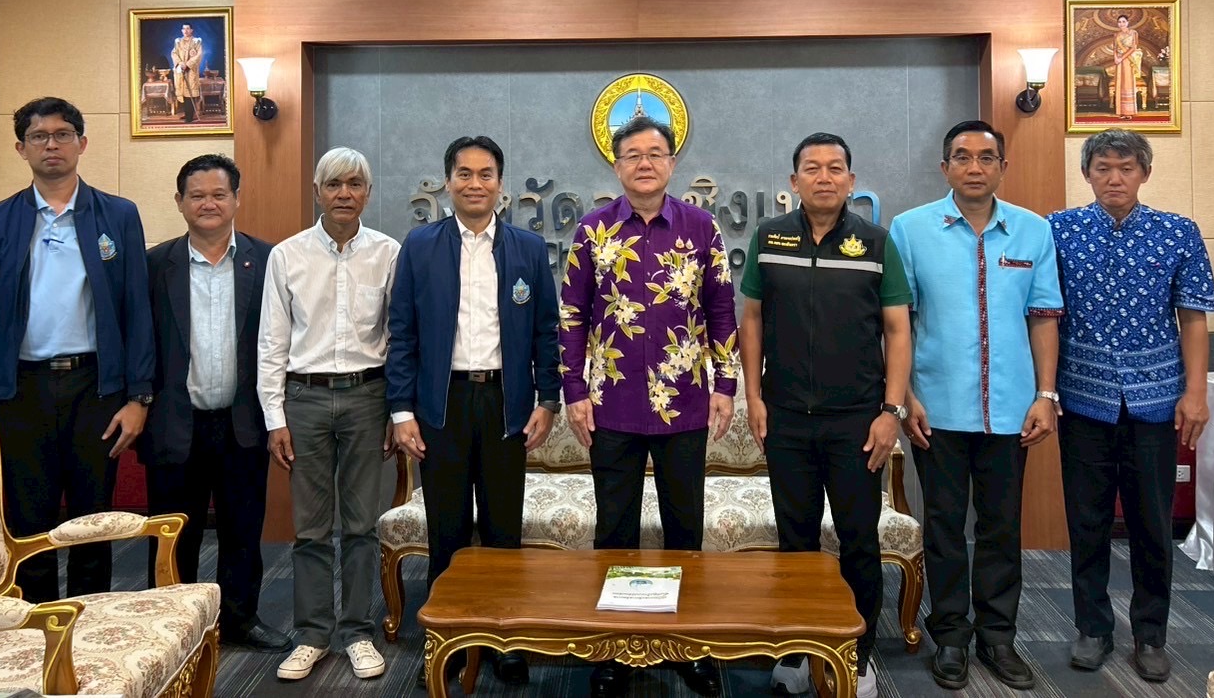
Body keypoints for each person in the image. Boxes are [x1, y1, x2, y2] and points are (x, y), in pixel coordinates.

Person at [559, 114, 739, 698]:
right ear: (616, 167)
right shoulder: (592, 230)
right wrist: (574, 391)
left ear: (672, 163)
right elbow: (572, 317)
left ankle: (689, 646)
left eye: (655, 153)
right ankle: (614, 648)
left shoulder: (702, 227)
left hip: (684, 402)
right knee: (614, 529)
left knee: (685, 529)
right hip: (611, 405)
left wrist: (726, 384)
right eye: (633, 154)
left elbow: (721, 310)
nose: (645, 163)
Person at [887, 120, 1063, 691]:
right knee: (942, 527)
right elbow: (898, 323)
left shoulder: (1034, 231)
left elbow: (1043, 318)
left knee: (1000, 528)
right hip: (935, 411)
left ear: (1002, 167)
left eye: (987, 157)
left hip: (1011, 411)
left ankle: (998, 637)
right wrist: (905, 397)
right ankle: (951, 638)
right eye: (962, 157)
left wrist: (1045, 395)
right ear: (945, 168)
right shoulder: (911, 230)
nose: (974, 167)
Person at [740, 133, 913, 698]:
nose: (824, 177)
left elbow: (897, 330)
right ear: (794, 182)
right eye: (812, 168)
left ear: (851, 181)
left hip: (857, 422)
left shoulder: (876, 243)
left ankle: (855, 656)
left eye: (835, 168)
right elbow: (752, 320)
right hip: (787, 418)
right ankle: (797, 651)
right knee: (796, 543)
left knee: (859, 540)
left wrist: (891, 411)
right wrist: (754, 397)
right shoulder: (769, 238)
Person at [0, 96, 154, 604]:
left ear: (82, 143)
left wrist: (139, 397)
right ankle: (36, 624)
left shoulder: (118, 215)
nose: (52, 144)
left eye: (63, 134)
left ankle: (90, 622)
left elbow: (137, 309)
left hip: (95, 388)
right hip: (20, 391)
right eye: (39, 136)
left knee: (93, 519)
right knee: (30, 521)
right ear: (21, 148)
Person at [386, 135, 560, 689]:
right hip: (443, 406)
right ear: (448, 182)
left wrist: (548, 400)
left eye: (486, 174)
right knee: (449, 531)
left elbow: (547, 332)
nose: (475, 183)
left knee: (505, 532)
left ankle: (505, 642)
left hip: (507, 403)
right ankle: (449, 644)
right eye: (464, 173)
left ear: (500, 184)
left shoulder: (527, 248)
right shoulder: (420, 246)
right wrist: (401, 410)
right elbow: (402, 333)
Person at [1049, 130, 1214, 683]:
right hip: (1083, 398)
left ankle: (1151, 634)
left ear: (1144, 173)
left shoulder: (1178, 232)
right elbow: (1042, 312)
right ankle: (1093, 628)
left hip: (1156, 400)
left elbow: (1193, 317)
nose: (1114, 178)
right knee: (1087, 519)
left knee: (1151, 522)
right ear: (1087, 173)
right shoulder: (1059, 230)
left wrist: (1196, 391)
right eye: (1103, 167)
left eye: (1125, 168)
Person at [257, 147, 399, 682]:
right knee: (312, 529)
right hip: (305, 399)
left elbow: (399, 338)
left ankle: (357, 631)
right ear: (317, 192)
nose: (345, 193)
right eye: (334, 184)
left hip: (368, 398)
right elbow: (271, 343)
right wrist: (275, 418)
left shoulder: (389, 253)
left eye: (355, 184)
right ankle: (313, 634)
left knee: (362, 526)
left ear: (368, 193)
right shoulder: (286, 256)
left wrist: (396, 411)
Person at [141, 154, 289, 651]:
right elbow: (141, 342)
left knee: (242, 528)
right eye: (197, 195)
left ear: (236, 200)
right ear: (179, 202)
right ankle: (171, 626)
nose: (208, 203)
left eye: (219, 194)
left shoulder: (267, 261)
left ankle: (240, 619)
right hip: (175, 420)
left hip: (241, 420)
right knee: (172, 531)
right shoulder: (154, 265)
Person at [172, 23, 203, 123]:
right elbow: (174, 53)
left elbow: (198, 55)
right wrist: (180, 63)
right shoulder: (178, 42)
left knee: (190, 93)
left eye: (188, 28)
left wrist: (188, 64)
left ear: (191, 30)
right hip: (181, 70)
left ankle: (190, 116)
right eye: (183, 29)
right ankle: (187, 113)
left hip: (191, 71)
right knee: (184, 93)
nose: (185, 31)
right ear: (182, 30)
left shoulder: (196, 41)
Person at [1111, 14, 1142, 118]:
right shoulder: (1116, 35)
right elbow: (1115, 48)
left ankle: (1129, 112)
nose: (1121, 24)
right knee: (1120, 83)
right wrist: (1116, 58)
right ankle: (1121, 111)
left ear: (1128, 22)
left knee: (1127, 83)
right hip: (1119, 62)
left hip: (1128, 60)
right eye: (1119, 22)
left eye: (1124, 21)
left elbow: (1133, 48)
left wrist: (1122, 58)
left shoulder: (1133, 33)